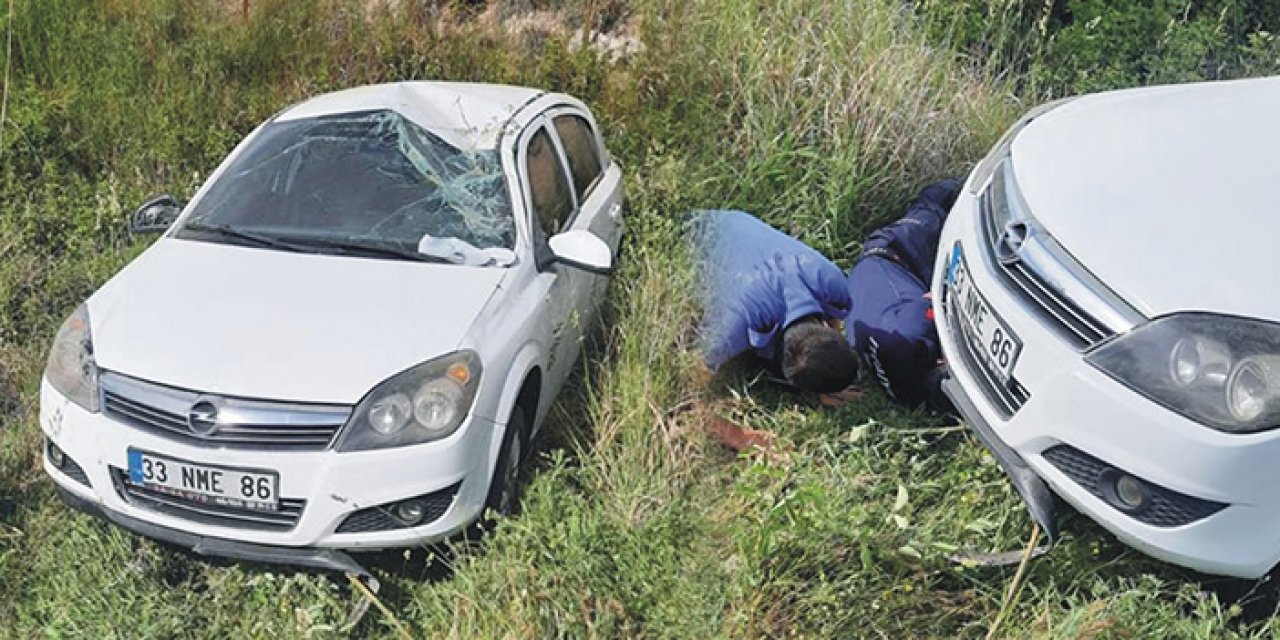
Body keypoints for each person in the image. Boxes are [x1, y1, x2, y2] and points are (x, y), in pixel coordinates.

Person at [689, 210, 860, 393]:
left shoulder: (833, 284)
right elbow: (698, 371)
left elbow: (834, 322)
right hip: (694, 233)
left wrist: (826, 369)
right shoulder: (732, 330)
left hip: (736, 223)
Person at [845, 178, 962, 412]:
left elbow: (943, 298)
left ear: (938, 364)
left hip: (889, 253)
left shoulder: (912, 332)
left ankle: (965, 177)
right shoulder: (909, 397)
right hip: (871, 292)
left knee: (932, 210)